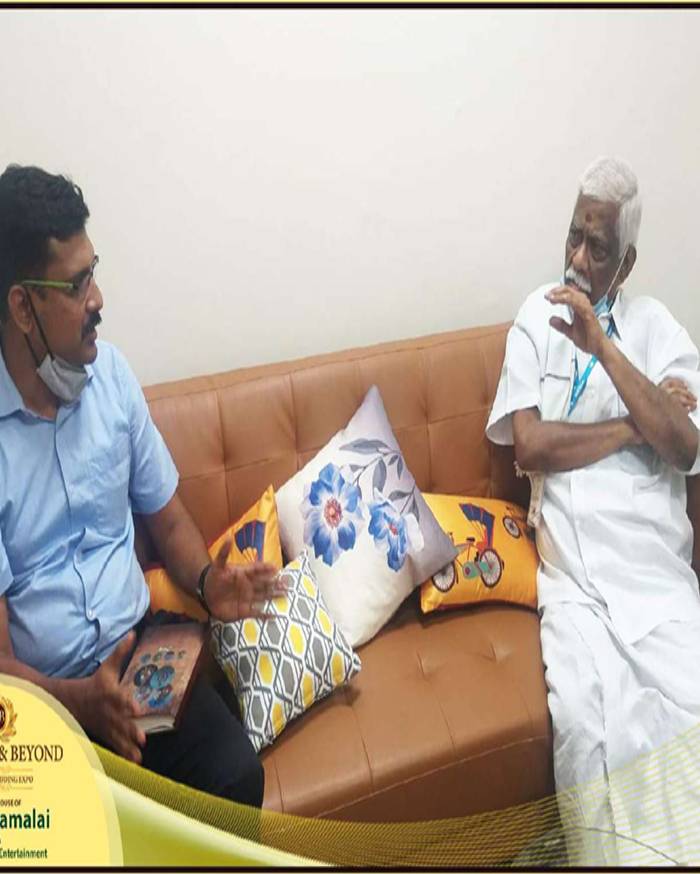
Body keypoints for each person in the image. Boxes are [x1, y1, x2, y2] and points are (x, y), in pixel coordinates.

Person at [0, 164, 286, 806]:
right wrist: (79, 702)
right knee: (67, 836)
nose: (97, 299)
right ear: (23, 307)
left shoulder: (112, 379)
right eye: (76, 285)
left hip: (142, 660)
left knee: (236, 776)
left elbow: (170, 519)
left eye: (93, 272)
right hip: (42, 702)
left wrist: (210, 582)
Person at [486, 156, 700, 865]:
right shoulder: (535, 317)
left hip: (651, 572)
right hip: (573, 582)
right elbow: (531, 445)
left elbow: (684, 443)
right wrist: (638, 423)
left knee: (689, 707)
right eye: (574, 237)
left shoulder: (657, 330)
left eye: (598, 248)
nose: (578, 259)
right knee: (584, 725)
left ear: (626, 262)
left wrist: (603, 349)